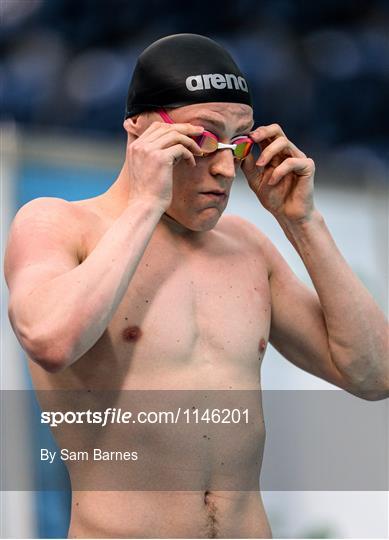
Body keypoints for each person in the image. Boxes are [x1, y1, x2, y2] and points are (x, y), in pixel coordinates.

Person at [4, 33, 388, 539]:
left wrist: (303, 223)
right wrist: (145, 203)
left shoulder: (247, 249)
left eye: (239, 141)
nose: (226, 168)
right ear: (138, 130)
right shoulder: (58, 225)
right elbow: (52, 340)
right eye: (202, 139)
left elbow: (373, 374)